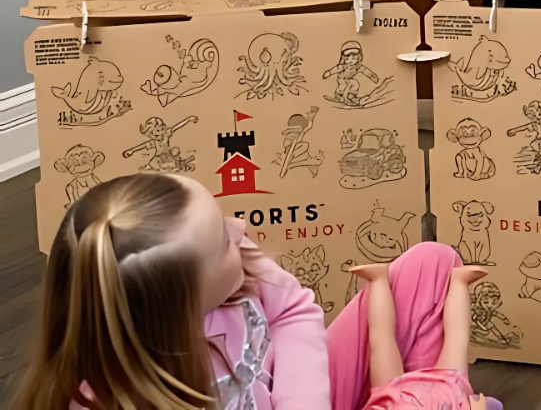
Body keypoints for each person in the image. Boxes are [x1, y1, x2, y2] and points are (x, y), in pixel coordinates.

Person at [12, 173, 329, 410]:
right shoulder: (107, 398)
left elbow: (292, 311)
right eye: (224, 242)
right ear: (181, 307)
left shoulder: (239, 256)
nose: (239, 227)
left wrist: (302, 400)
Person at [328, 242, 502, 410]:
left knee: (385, 342)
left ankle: (457, 283)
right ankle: (379, 280)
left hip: (408, 398)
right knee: (384, 342)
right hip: (423, 397)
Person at [351, 262, 488, 410]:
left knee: (382, 343)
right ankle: (459, 283)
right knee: (456, 343)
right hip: (445, 395)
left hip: (398, 399)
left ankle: (378, 280)